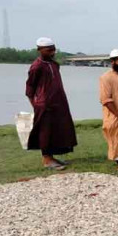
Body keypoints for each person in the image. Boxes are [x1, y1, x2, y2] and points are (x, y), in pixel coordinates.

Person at [25, 37, 77, 170]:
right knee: (45, 131)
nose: (52, 52)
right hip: (44, 105)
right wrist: (36, 105)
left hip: (59, 103)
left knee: (58, 129)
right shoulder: (36, 67)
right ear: (39, 50)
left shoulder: (54, 64)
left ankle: (52, 157)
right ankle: (47, 159)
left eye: (54, 50)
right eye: (49, 50)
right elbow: (30, 89)